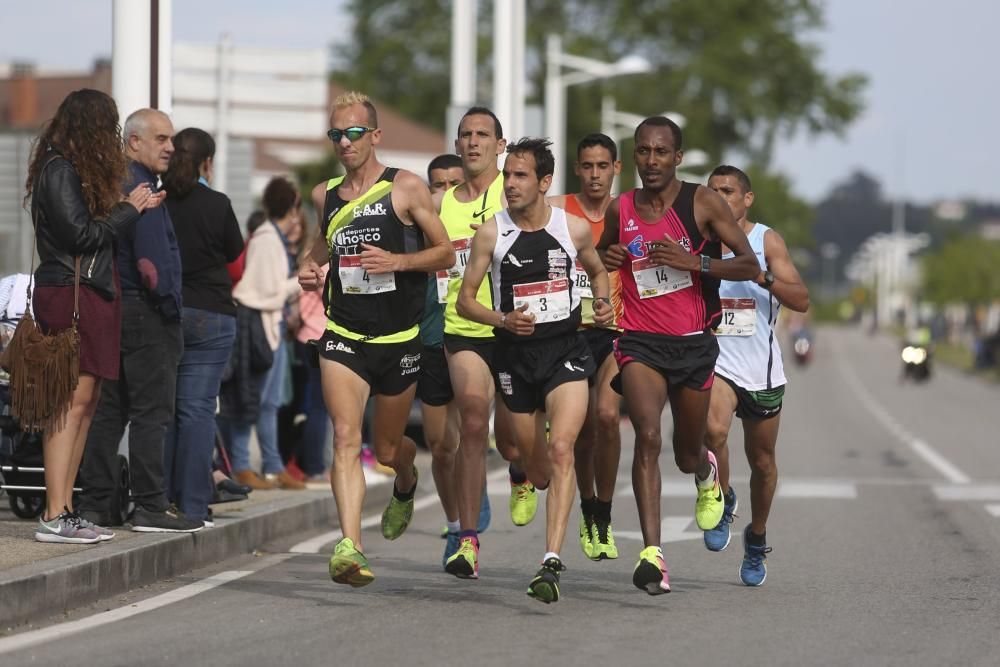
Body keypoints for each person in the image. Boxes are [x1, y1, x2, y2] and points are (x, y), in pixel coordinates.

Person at [298, 91, 454, 587]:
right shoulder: (326, 195)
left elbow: (446, 254)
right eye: (336, 135)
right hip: (343, 332)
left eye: (353, 133)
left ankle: (406, 480)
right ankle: (350, 546)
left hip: (400, 338)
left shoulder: (405, 187)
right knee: (346, 438)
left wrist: (397, 262)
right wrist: (309, 266)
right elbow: (322, 241)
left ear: (375, 136)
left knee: (388, 450)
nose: (344, 142)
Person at [597, 117, 759, 594]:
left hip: (692, 343)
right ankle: (653, 554)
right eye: (643, 151)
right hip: (640, 340)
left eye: (661, 152)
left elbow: (748, 263)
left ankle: (708, 473)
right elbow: (607, 251)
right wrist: (609, 260)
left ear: (678, 158)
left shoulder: (701, 203)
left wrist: (697, 263)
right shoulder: (620, 206)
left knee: (686, 453)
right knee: (646, 436)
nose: (651, 161)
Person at [458, 137, 612, 603]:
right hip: (514, 358)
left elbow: (599, 271)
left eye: (521, 176)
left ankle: (550, 561)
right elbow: (466, 301)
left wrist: (602, 301)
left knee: (563, 447)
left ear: (545, 182)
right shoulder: (492, 233)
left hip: (565, 350)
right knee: (535, 464)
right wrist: (502, 319)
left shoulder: (574, 229)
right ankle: (524, 472)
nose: (510, 185)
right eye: (507, 176)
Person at [27, 89, 161, 543]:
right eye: (110, 126)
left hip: (91, 293)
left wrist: (131, 209)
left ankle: (65, 508)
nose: (114, 136)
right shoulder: (59, 169)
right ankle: (54, 511)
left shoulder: (72, 171)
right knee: (68, 404)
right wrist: (129, 210)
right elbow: (82, 236)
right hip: (71, 293)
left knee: (86, 404)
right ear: (92, 127)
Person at [80, 108, 204, 533]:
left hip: (114, 311)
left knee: (109, 412)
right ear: (134, 142)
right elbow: (153, 266)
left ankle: (97, 503)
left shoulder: (112, 183)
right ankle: (151, 506)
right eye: (161, 139)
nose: (171, 147)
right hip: (147, 314)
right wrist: (171, 309)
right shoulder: (142, 189)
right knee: (153, 412)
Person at [702, 165, 809, 586]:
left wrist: (762, 277)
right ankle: (724, 498)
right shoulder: (697, 240)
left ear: (747, 199)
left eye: (727, 190)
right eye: (712, 190)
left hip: (761, 371)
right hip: (716, 362)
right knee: (712, 431)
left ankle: (757, 536)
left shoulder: (766, 240)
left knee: (762, 464)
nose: (719, 197)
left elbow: (800, 298)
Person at [440, 107, 534, 581]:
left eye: (483, 134)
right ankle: (467, 539)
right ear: (457, 145)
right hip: (464, 327)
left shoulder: (514, 187)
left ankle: (518, 473)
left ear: (500, 145)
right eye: (465, 134)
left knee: (521, 445)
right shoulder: (442, 203)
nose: (473, 141)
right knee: (473, 420)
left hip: (515, 330)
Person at [162, 127, 245, 524]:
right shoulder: (216, 203)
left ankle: (161, 500)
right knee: (196, 411)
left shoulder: (156, 200)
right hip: (211, 313)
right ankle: (194, 505)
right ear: (206, 163)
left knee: (163, 410)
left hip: (166, 313)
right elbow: (234, 252)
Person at [547, 133, 624, 561]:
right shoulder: (557, 209)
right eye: (587, 166)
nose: (595, 175)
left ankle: (603, 513)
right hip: (566, 332)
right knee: (582, 431)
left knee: (608, 416)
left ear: (615, 168)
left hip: (616, 330)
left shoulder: (628, 212)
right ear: (577, 169)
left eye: (603, 166)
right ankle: (587, 502)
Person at [418, 154, 492, 568]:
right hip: (430, 336)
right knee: (441, 446)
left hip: (471, 333)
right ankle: (453, 520)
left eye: (452, 183)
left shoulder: (483, 222)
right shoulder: (420, 224)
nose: (444, 191)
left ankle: (469, 511)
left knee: (473, 427)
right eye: (437, 184)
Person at [220, 176, 305, 491]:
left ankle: (272, 464)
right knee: (250, 397)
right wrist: (304, 280)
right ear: (293, 206)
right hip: (258, 323)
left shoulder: (270, 237)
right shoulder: (269, 239)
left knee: (267, 402)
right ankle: (242, 464)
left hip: (270, 324)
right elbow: (269, 291)